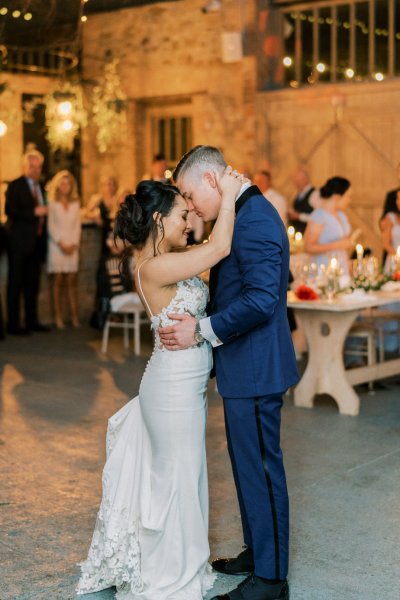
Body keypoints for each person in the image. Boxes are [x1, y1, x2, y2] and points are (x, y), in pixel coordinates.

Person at [77, 170, 244, 599]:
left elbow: (209, 255)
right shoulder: (153, 266)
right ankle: (168, 573)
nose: (188, 223)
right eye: (181, 216)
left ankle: (186, 560)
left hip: (184, 386)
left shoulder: (172, 260)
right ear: (157, 220)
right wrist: (228, 197)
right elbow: (220, 246)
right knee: (176, 478)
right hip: (170, 389)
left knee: (187, 475)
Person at [159, 146, 298, 600]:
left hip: (256, 368)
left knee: (259, 467)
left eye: (190, 193)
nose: (192, 205)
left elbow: (261, 300)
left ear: (212, 181)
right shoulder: (244, 212)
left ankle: (271, 580)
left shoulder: (254, 218)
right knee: (246, 467)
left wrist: (201, 328)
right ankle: (258, 554)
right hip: (246, 367)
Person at [5, 149, 49, 335]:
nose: (35, 170)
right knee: (16, 284)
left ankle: (32, 322)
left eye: (38, 167)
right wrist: (34, 213)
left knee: (33, 284)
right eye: (32, 166)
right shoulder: (15, 185)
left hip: (37, 243)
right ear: (25, 167)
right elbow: (10, 211)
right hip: (18, 242)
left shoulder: (42, 186)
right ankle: (13, 325)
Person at [85, 175, 124, 329]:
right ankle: (102, 314)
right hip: (105, 244)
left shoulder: (118, 199)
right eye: (107, 184)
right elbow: (87, 212)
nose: (109, 186)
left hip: (117, 243)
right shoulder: (98, 200)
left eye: (112, 183)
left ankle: (117, 313)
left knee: (118, 279)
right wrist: (95, 219)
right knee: (103, 279)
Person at [46, 170, 81, 329]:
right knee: (57, 282)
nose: (65, 186)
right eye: (62, 183)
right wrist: (61, 244)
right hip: (56, 246)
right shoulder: (52, 203)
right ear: (57, 186)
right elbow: (51, 226)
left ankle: (74, 317)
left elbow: (77, 227)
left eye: (67, 183)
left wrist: (73, 244)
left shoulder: (76, 204)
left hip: (72, 246)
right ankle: (58, 318)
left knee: (72, 281)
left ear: (71, 186)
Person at [303, 176, 353, 276]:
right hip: (324, 267)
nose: (349, 200)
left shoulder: (342, 215)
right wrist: (336, 245)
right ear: (337, 196)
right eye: (348, 196)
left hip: (342, 267)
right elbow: (308, 247)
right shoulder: (319, 216)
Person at [288, 167, 320, 234]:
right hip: (298, 234)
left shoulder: (315, 194)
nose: (296, 183)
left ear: (306, 179)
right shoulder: (297, 194)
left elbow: (318, 217)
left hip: (309, 233)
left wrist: (299, 216)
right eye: (295, 181)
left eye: (298, 181)